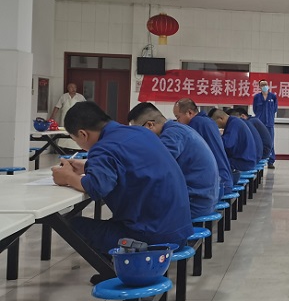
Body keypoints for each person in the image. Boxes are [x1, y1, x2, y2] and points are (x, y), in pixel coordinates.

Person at [51, 102, 194, 261]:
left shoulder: (102, 147)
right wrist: (87, 167)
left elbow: (97, 187)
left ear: (83, 134)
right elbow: (130, 165)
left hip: (155, 238)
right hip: (180, 231)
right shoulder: (141, 132)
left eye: (76, 140)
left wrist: (67, 177)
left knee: (71, 225)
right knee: (110, 225)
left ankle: (112, 271)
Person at [127, 102, 220, 219]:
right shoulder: (177, 129)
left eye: (138, 132)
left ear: (150, 125)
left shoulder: (172, 135)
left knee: (135, 212)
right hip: (203, 198)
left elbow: (155, 167)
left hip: (195, 203)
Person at [173, 99, 235, 196]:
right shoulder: (208, 121)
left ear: (189, 113)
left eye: (178, 117)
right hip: (225, 180)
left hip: (217, 185)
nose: (178, 122)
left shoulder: (195, 124)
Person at [208, 108, 259, 176]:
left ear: (220, 118)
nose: (216, 126)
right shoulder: (234, 122)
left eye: (214, 123)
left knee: (215, 163)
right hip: (245, 160)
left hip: (244, 162)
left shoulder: (234, 124)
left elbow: (227, 144)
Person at [252, 79, 278, 168]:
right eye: (262, 85)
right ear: (259, 87)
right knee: (259, 141)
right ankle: (259, 160)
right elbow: (255, 109)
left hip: (269, 123)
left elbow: (275, 109)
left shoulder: (273, 97)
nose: (264, 86)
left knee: (271, 142)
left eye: (265, 84)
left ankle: (271, 161)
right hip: (260, 124)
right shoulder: (256, 97)